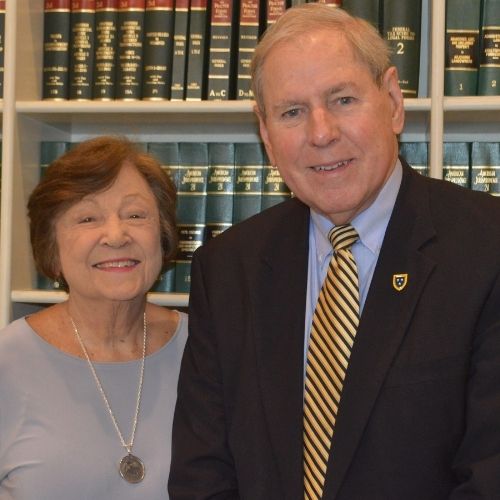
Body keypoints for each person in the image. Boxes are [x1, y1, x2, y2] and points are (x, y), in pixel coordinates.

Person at [168, 4, 500, 499]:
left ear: (391, 100)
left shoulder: (486, 247)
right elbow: (203, 474)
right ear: (265, 131)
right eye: (292, 112)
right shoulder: (226, 268)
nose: (321, 134)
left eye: (342, 99)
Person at [0, 136, 188, 498]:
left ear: (162, 237)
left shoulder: (207, 352)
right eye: (88, 218)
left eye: (135, 215)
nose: (116, 235)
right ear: (51, 248)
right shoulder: (6, 362)